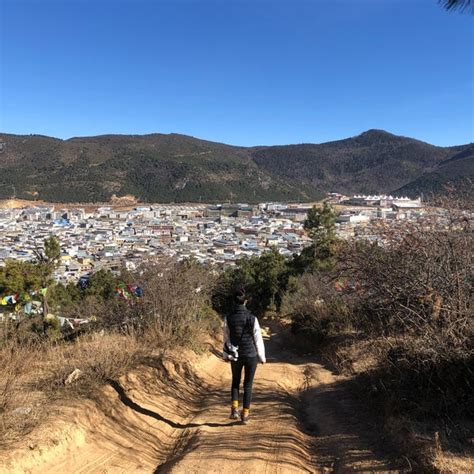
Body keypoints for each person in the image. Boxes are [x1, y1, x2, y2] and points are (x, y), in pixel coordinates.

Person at [223, 288, 266, 424]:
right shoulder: (252, 318)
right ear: (245, 301)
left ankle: (234, 410)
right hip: (251, 355)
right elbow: (258, 338)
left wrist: (225, 354)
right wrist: (262, 356)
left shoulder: (228, 318)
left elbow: (226, 338)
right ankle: (245, 414)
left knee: (235, 381)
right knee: (248, 385)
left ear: (234, 301)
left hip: (235, 355)